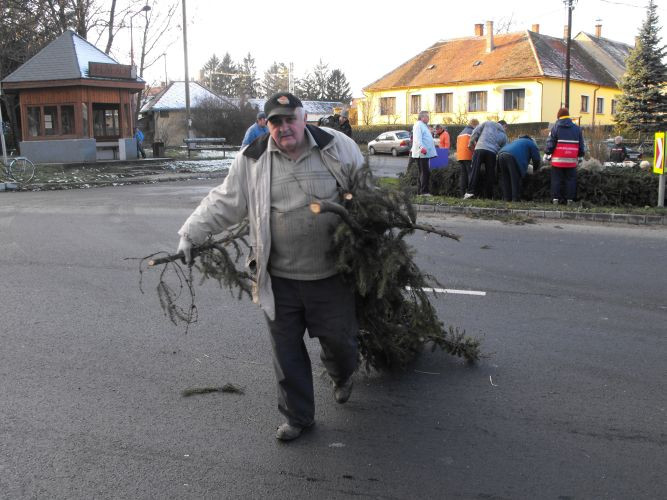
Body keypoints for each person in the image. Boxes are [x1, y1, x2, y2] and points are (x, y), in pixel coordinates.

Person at [176, 92, 364, 442]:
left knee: (341, 343)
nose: (283, 127)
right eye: (275, 121)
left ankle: (341, 374)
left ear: (304, 117)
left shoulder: (337, 146)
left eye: (289, 118)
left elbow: (364, 192)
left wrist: (370, 231)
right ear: (268, 125)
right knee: (286, 352)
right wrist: (191, 232)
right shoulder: (253, 158)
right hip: (277, 277)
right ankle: (298, 417)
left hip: (331, 274)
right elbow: (225, 200)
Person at [545, 108, 585, 205]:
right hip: (571, 160)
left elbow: (551, 143)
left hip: (557, 160)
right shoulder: (577, 129)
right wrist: (580, 155)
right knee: (571, 180)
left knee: (556, 179)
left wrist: (547, 153)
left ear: (559, 116)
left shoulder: (555, 127)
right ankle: (569, 200)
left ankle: (555, 199)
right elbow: (581, 144)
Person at [464, 120, 507, 199]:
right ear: (504, 126)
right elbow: (503, 149)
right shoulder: (504, 135)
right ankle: (488, 196)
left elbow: (476, 131)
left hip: (480, 148)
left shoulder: (488, 123)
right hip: (492, 153)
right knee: (490, 174)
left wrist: (471, 142)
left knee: (475, 171)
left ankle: (470, 193)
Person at [497, 135, 541, 202]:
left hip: (501, 155)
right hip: (512, 157)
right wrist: (535, 171)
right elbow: (536, 159)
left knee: (505, 179)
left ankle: (507, 199)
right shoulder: (531, 143)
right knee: (515, 179)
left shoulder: (516, 141)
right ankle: (515, 199)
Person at [410, 111, 437, 195]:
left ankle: (420, 191)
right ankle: (424, 192)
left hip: (424, 153)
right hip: (421, 153)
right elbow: (417, 138)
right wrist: (421, 147)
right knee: (425, 172)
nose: (428, 118)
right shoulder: (418, 125)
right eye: (427, 117)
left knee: (423, 172)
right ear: (422, 117)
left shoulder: (423, 125)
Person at [456, 119, 479, 196]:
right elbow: (475, 144)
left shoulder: (461, 132)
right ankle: (469, 192)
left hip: (460, 156)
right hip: (468, 155)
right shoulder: (472, 132)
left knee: (463, 175)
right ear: (475, 125)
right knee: (470, 174)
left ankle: (462, 192)